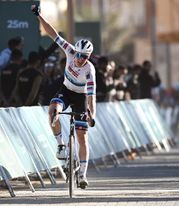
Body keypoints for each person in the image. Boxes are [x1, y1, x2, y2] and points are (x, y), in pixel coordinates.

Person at [31, 4, 96, 189]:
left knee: (82, 137)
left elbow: (91, 96)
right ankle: (60, 145)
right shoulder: (69, 50)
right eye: (79, 54)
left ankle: (82, 174)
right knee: (53, 111)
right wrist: (39, 15)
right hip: (66, 91)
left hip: (81, 97)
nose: (79, 58)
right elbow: (52, 33)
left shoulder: (89, 70)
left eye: (84, 56)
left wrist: (92, 114)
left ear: (88, 56)